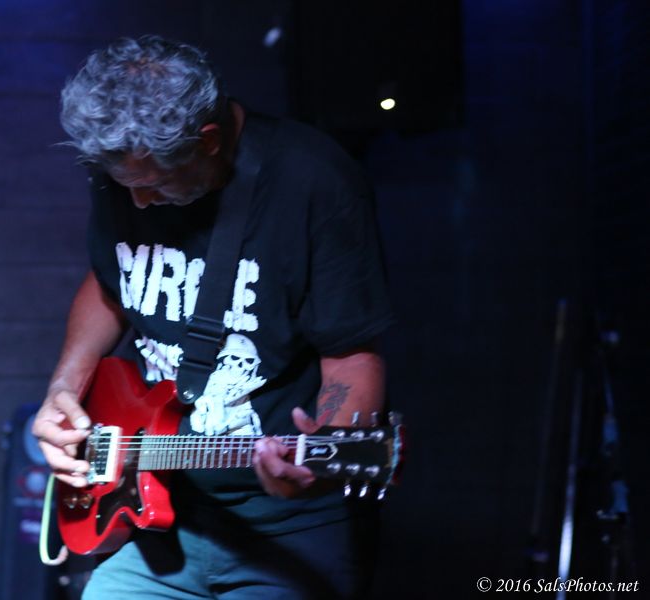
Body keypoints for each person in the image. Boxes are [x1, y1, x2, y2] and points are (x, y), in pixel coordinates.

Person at [32, 35, 394, 599]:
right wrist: (64, 389)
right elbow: (111, 280)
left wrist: (320, 461)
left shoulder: (314, 182)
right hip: (160, 517)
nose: (138, 204)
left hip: (287, 535)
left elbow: (352, 355)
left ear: (208, 141)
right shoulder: (124, 168)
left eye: (153, 185)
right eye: (126, 187)